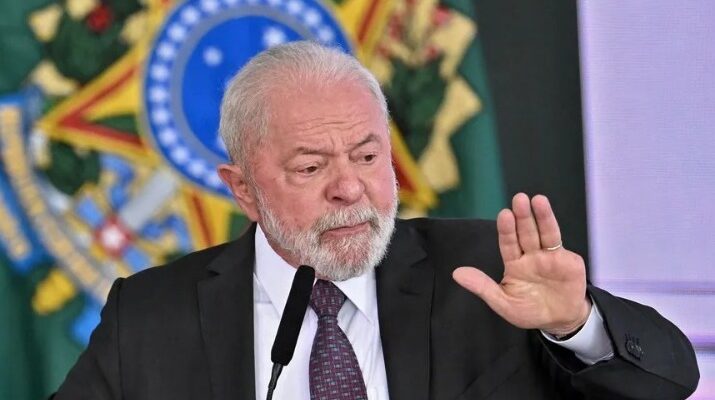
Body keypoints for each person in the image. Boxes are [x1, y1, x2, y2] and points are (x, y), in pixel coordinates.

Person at [54, 41, 699, 400]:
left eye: (368, 156)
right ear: (244, 190)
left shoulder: (486, 272)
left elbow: (671, 385)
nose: (350, 188)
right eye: (311, 167)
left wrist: (575, 324)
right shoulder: (150, 317)